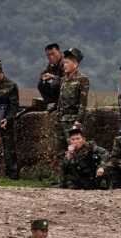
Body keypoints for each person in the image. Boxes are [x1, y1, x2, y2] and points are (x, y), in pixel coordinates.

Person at [52, 47, 89, 188]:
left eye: (67, 62)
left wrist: (78, 121)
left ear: (76, 64)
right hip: (61, 119)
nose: (64, 64)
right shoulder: (64, 80)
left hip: (72, 119)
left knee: (74, 150)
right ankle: (63, 179)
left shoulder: (82, 79)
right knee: (61, 151)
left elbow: (83, 103)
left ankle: (74, 181)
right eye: (64, 62)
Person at [61, 124, 110, 190]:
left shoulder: (91, 147)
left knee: (108, 166)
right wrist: (69, 155)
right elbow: (64, 169)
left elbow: (106, 154)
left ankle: (103, 190)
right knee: (69, 175)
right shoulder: (69, 152)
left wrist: (101, 167)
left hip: (95, 176)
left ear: (84, 139)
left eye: (78, 139)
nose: (75, 142)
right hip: (81, 180)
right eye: (73, 139)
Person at [37, 43, 66, 109]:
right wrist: (43, 77)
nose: (51, 57)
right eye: (48, 55)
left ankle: (60, 104)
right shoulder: (51, 64)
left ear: (59, 52)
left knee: (54, 83)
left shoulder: (64, 63)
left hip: (66, 90)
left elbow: (67, 79)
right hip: (57, 88)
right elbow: (43, 72)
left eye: (53, 54)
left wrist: (53, 77)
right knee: (41, 84)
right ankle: (50, 103)